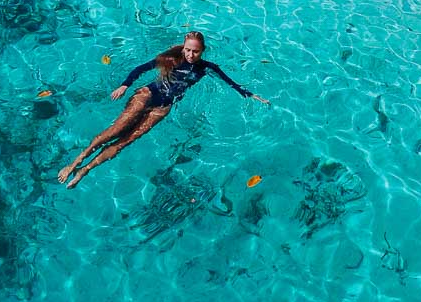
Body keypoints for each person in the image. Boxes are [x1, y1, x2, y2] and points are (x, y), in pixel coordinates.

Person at [57, 30, 268, 188]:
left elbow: (229, 82)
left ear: (202, 51)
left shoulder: (208, 68)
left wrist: (250, 95)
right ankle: (76, 161)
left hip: (164, 107)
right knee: (115, 131)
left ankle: (84, 171)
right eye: (187, 50)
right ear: (183, 47)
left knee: (125, 141)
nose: (191, 55)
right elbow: (142, 68)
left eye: (195, 51)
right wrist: (125, 85)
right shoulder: (171, 58)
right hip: (147, 95)